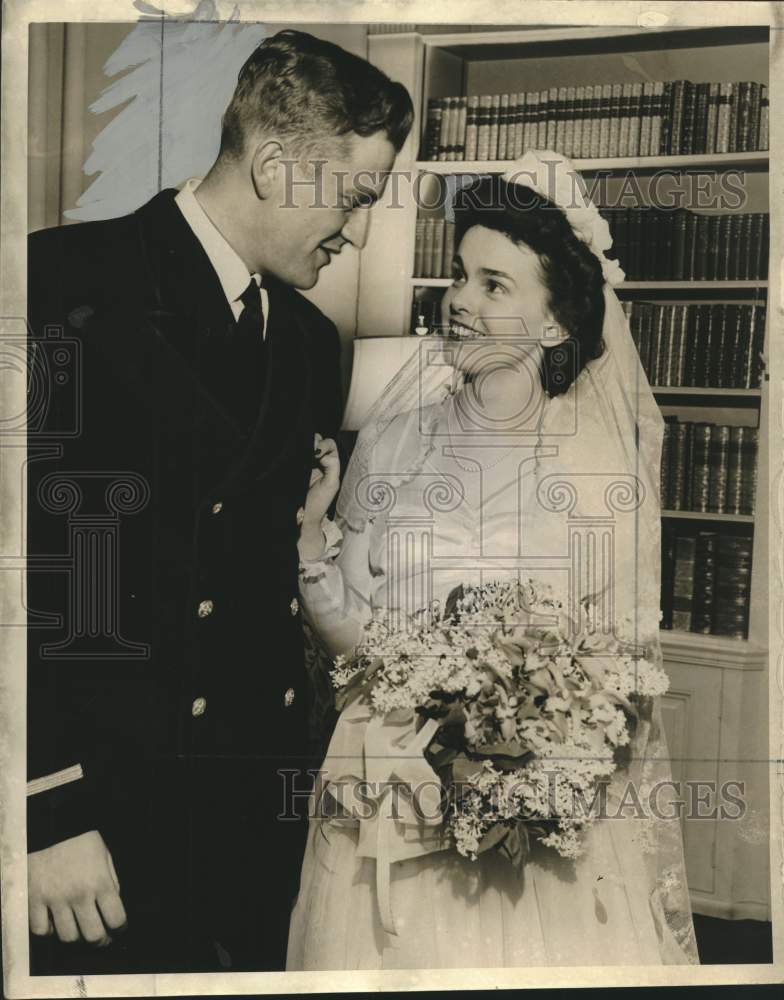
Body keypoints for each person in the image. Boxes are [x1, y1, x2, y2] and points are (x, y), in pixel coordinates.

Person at [26, 29, 413, 973]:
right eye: (356, 196)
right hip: (96, 824)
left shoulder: (315, 344)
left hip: (249, 815)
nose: (359, 229)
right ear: (278, 165)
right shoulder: (58, 283)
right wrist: (43, 808)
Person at [288, 152, 700, 969]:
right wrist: (308, 552)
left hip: (542, 834)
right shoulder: (396, 440)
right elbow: (353, 649)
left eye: (494, 285)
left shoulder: (598, 473)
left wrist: (527, 766)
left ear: (554, 322)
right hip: (386, 802)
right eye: (459, 276)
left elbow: (623, 676)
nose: (460, 302)